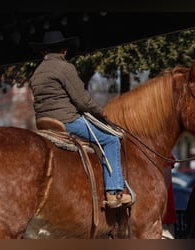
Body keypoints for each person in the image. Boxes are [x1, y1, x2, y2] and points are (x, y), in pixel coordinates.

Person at [28, 30, 133, 209]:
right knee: (111, 140)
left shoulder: (37, 73)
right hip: (67, 120)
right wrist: (101, 113)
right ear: (64, 50)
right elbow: (82, 101)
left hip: (43, 122)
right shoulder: (65, 67)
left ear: (43, 52)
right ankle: (114, 192)